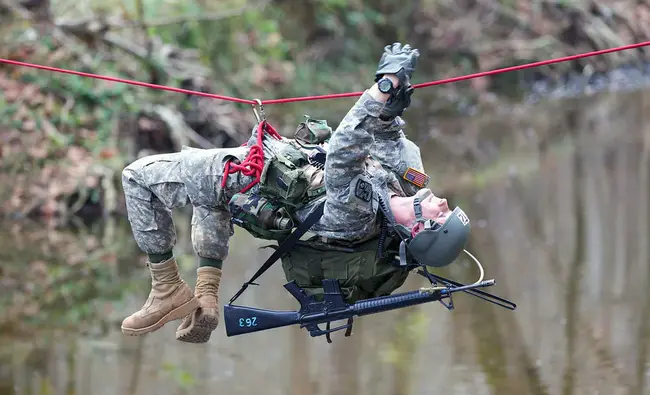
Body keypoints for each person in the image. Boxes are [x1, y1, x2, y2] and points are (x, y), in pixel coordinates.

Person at [119, 42, 471, 344]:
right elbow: (390, 140)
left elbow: (346, 150)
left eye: (440, 216)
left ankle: (166, 288)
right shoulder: (412, 183)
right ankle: (205, 298)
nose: (441, 202)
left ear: (417, 231)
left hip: (248, 176)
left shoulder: (357, 215)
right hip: (268, 166)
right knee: (205, 193)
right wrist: (390, 111)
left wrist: (382, 86)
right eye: (446, 207)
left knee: (136, 176)